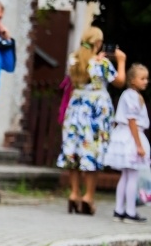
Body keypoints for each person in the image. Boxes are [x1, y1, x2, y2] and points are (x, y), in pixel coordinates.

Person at [57, 26, 126, 215]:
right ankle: (88, 196)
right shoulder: (101, 64)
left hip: (76, 108)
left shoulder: (74, 59)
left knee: (74, 151)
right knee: (92, 151)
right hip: (96, 110)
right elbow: (119, 81)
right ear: (98, 43)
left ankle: (74, 193)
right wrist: (121, 61)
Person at [104, 63, 149, 223]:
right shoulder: (131, 96)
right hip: (131, 137)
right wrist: (138, 145)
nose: (146, 81)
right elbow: (132, 120)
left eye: (146, 78)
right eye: (142, 78)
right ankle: (129, 211)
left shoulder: (130, 95)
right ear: (132, 80)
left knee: (126, 175)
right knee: (132, 176)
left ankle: (119, 209)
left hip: (126, 136)